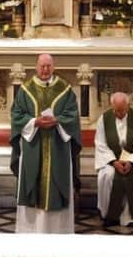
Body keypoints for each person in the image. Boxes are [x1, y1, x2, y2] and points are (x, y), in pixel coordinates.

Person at [10, 53, 82, 233]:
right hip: (33, 146)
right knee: (32, 184)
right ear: (35, 66)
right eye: (42, 66)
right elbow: (16, 115)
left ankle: (59, 232)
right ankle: (30, 231)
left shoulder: (65, 89)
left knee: (57, 184)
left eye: (48, 66)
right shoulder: (25, 90)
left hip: (58, 147)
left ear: (54, 67)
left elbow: (73, 115)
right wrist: (34, 122)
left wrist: (58, 121)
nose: (45, 70)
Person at [95, 92, 133, 227]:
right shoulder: (104, 119)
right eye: (116, 111)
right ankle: (110, 215)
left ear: (128, 106)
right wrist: (113, 162)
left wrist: (131, 161)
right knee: (107, 175)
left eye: (122, 110)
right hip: (112, 160)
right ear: (112, 107)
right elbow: (101, 144)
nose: (119, 114)